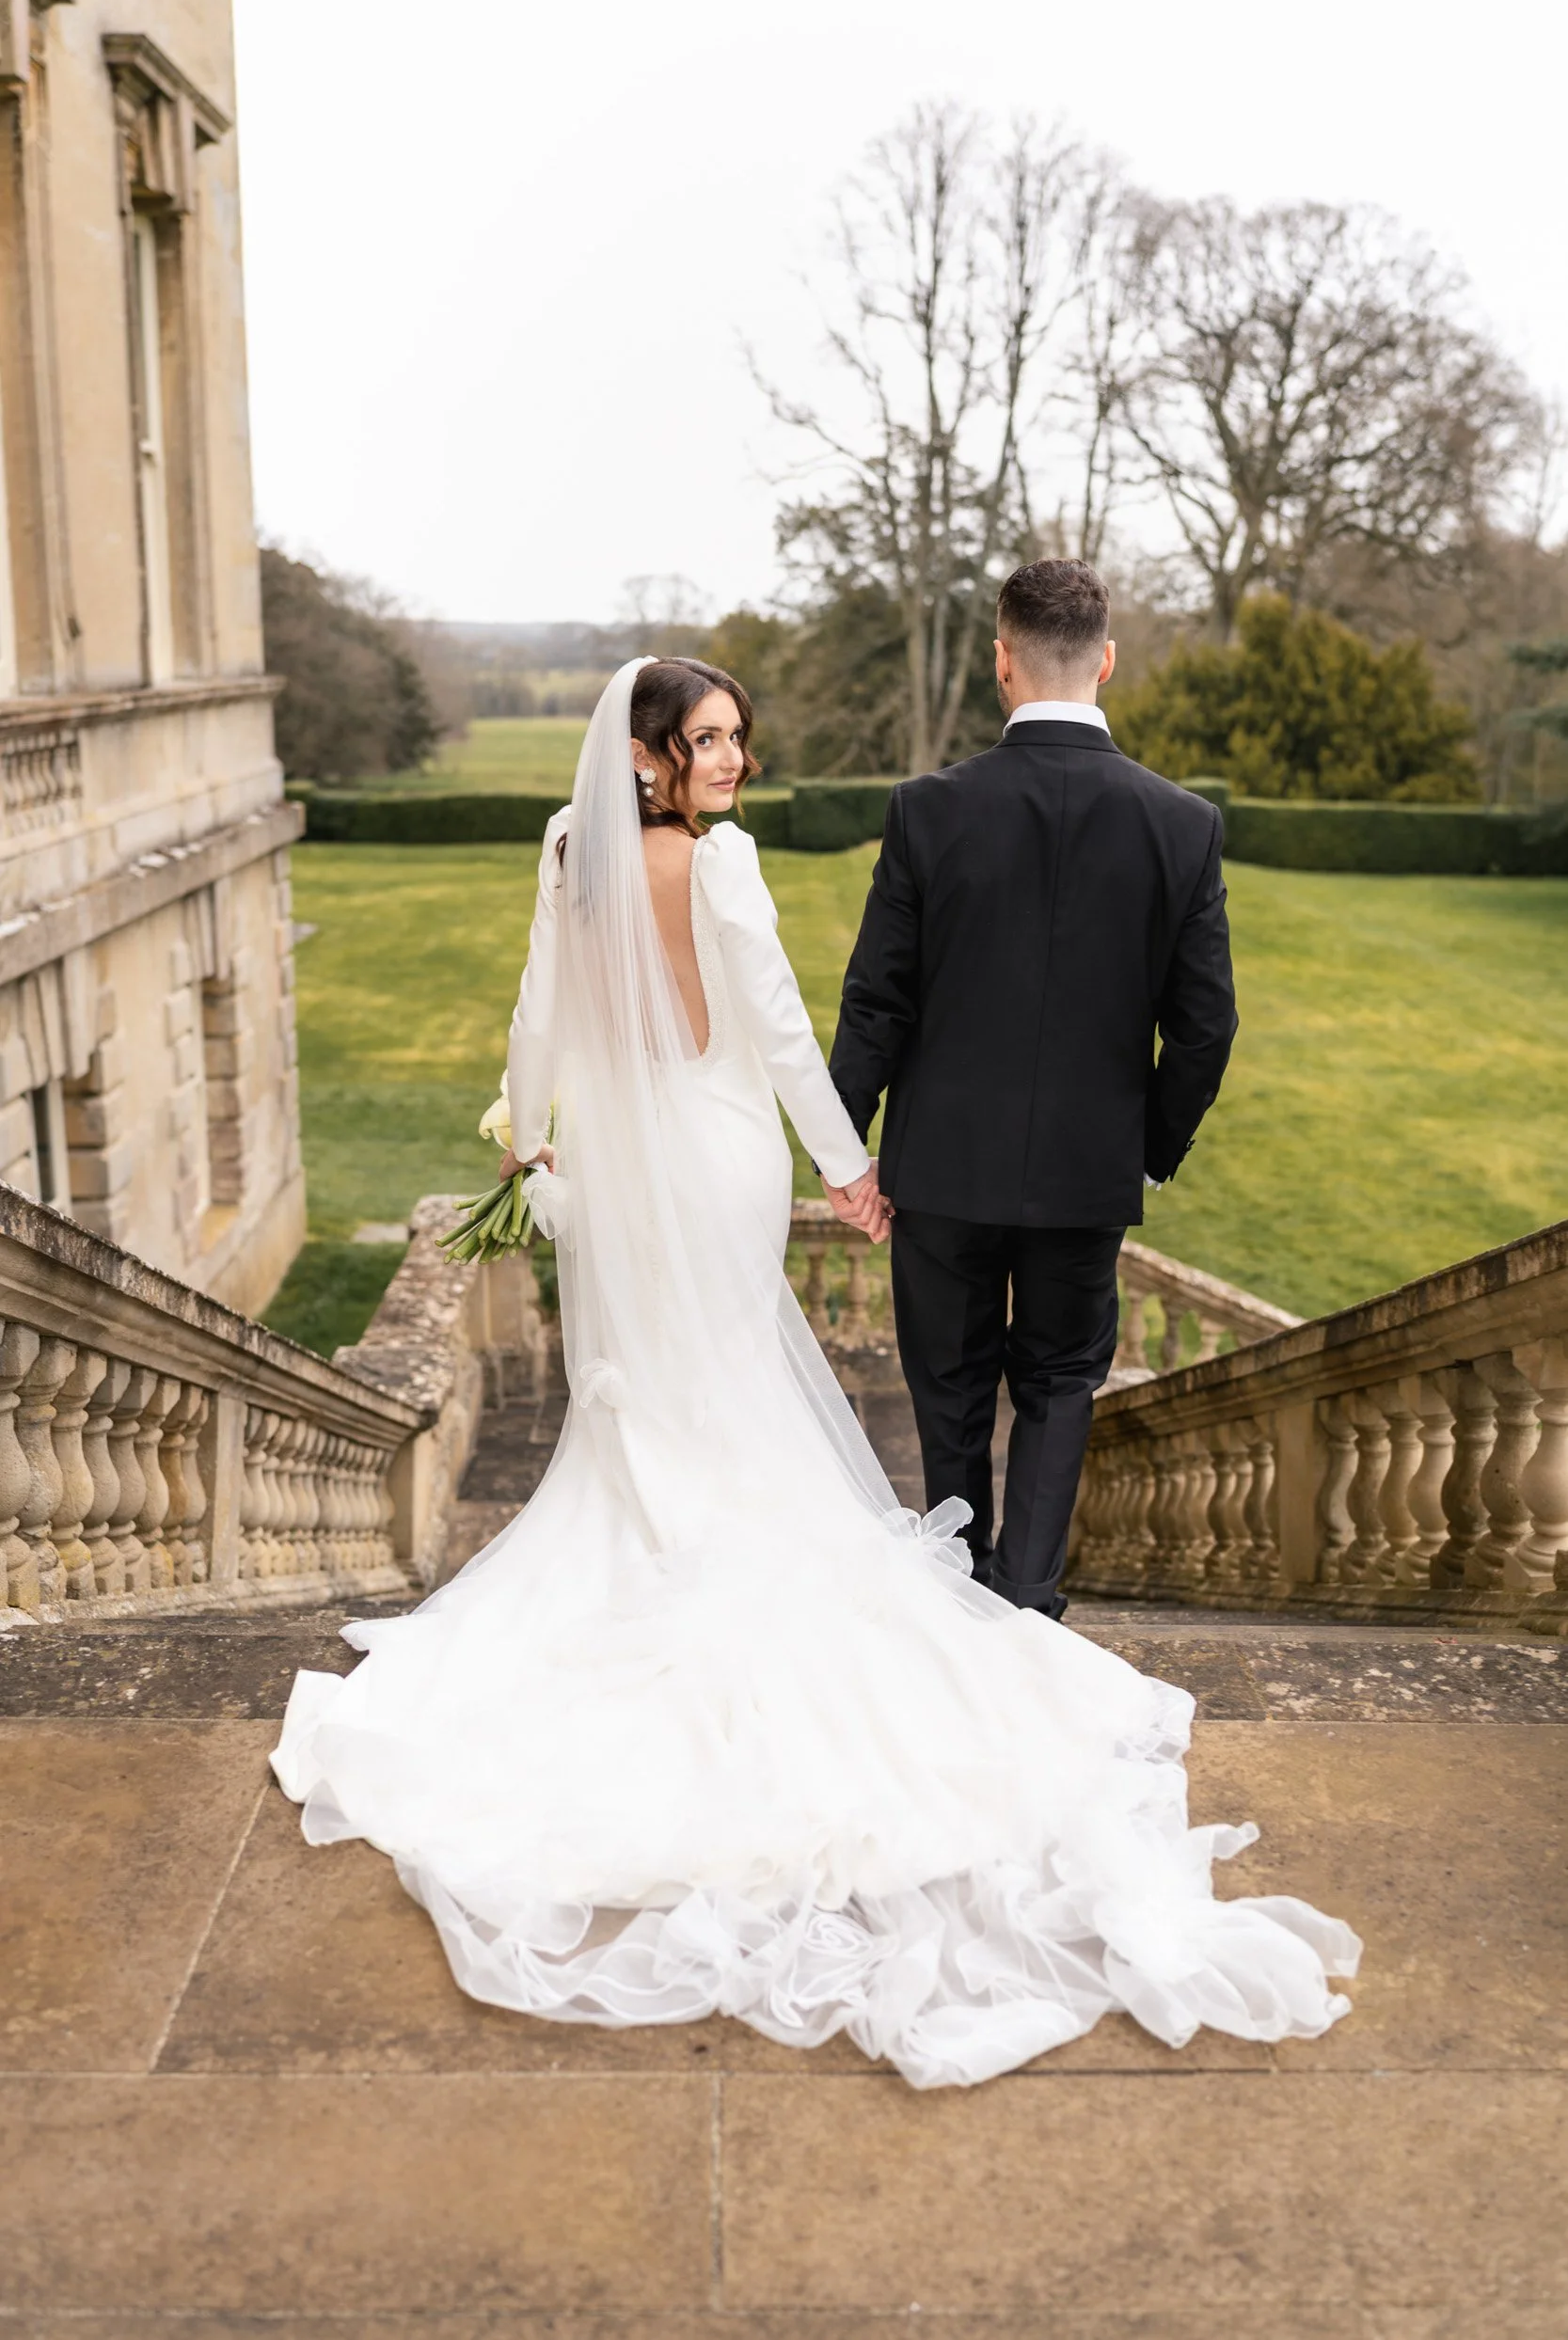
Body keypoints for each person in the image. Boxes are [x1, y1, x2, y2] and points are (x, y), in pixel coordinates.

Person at [272, 653, 1356, 2089]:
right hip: (714, 1164)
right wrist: (847, 1172)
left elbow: (539, 1015)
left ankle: (668, 1566)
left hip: (626, 1169)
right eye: (707, 741)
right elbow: (782, 1034)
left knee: (648, 1391)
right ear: (649, 758)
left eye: (735, 736)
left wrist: (529, 1143)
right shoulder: (720, 871)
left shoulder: (567, 855)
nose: (734, 758)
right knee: (700, 1391)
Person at [830, 558, 1237, 1621]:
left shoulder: (925, 810)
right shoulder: (1180, 823)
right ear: (1104, 660)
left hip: (941, 1171)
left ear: (1000, 662)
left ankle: (960, 1608)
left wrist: (845, 1150)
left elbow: (875, 1001)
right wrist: (1141, 1142)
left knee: (950, 1394)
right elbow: (1204, 1027)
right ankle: (1027, 1609)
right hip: (1081, 1175)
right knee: (1059, 1386)